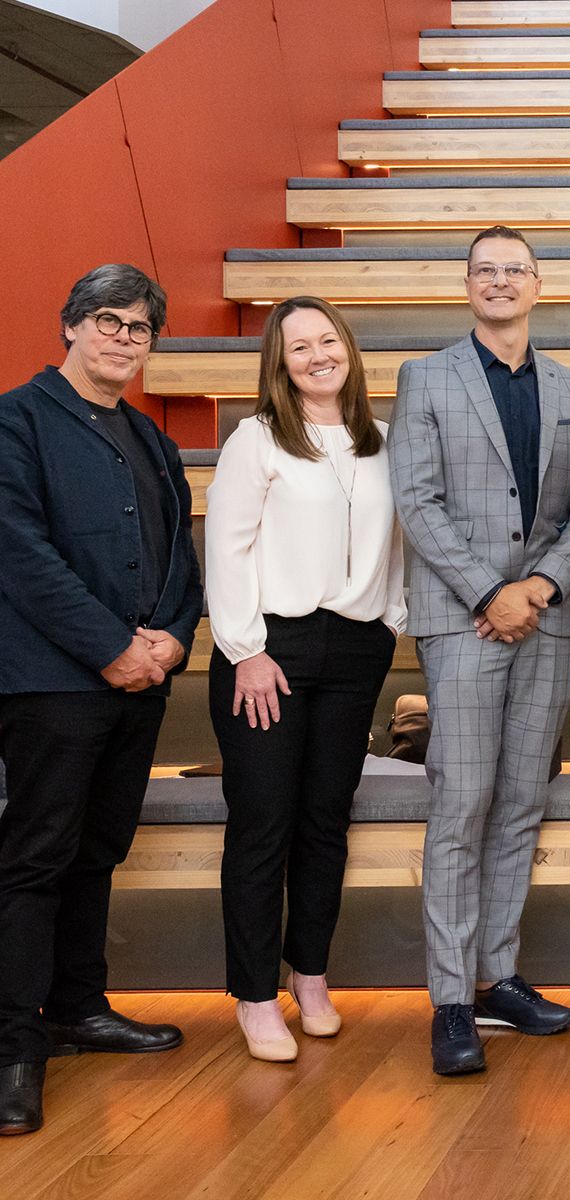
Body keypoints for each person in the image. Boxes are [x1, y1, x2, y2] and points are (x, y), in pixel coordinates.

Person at [389, 225, 570, 1076]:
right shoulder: (426, 378)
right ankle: (449, 1001)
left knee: (520, 803)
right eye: (486, 271)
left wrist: (541, 587)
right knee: (462, 807)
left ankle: (497, 977)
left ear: (538, 285)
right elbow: (417, 498)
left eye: (515, 270)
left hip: (546, 620)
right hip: (466, 619)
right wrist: (491, 592)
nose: (501, 282)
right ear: (467, 285)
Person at [0, 265, 200, 1136]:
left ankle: (77, 1007)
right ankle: (12, 1046)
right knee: (35, 860)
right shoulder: (14, 420)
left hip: (139, 683)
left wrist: (173, 636)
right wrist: (112, 646)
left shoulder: (149, 437)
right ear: (70, 326)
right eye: (108, 321)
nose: (124, 338)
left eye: (140, 328)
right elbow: (19, 553)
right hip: (49, 683)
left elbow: (177, 557)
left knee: (98, 851)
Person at [204, 297, 406, 1063]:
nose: (318, 355)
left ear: (348, 349)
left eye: (328, 340)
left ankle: (310, 977)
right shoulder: (256, 440)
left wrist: (388, 619)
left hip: (355, 651)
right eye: (299, 347)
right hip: (269, 653)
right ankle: (256, 997)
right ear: (279, 363)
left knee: (325, 822)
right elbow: (225, 549)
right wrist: (245, 649)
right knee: (263, 825)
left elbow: (396, 545)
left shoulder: (381, 441)